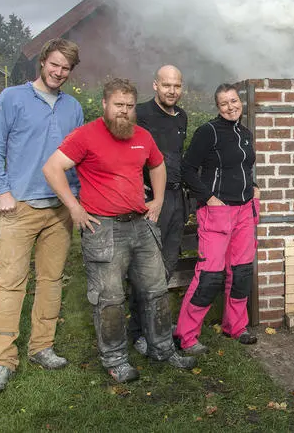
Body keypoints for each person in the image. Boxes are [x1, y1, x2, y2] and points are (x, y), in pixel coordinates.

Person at [42, 78, 195, 383]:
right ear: (104, 105)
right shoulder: (86, 135)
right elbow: (52, 168)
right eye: (118, 106)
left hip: (141, 225)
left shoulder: (142, 136)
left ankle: (162, 349)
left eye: (128, 106)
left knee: (156, 291)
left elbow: (158, 165)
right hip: (103, 229)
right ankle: (115, 359)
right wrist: (74, 207)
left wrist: (159, 200)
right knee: (109, 299)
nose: (124, 112)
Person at [0, 39, 84, 394]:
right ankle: (1, 360)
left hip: (58, 211)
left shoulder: (73, 107)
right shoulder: (11, 98)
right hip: (19, 207)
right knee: (11, 284)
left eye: (66, 68)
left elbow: (78, 159)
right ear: (43, 63)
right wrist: (2, 190)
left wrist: (77, 199)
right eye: (54, 65)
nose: (59, 72)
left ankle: (42, 346)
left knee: (51, 281)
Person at [175, 83, 261, 353]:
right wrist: (209, 198)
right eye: (224, 103)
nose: (230, 107)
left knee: (241, 273)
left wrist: (255, 191)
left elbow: (243, 167)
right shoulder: (208, 132)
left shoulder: (245, 133)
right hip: (217, 212)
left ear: (240, 102)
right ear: (217, 106)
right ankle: (185, 335)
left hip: (245, 211)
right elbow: (187, 169)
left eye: (234, 101)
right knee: (210, 276)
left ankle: (235, 326)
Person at [128, 65, 188, 356]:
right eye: (166, 85)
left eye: (176, 86)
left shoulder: (182, 117)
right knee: (145, 268)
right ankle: (138, 332)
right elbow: (125, 151)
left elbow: (175, 157)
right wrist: (136, 187)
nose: (172, 91)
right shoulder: (139, 113)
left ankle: (154, 325)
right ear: (155, 85)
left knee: (166, 264)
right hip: (151, 201)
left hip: (176, 200)